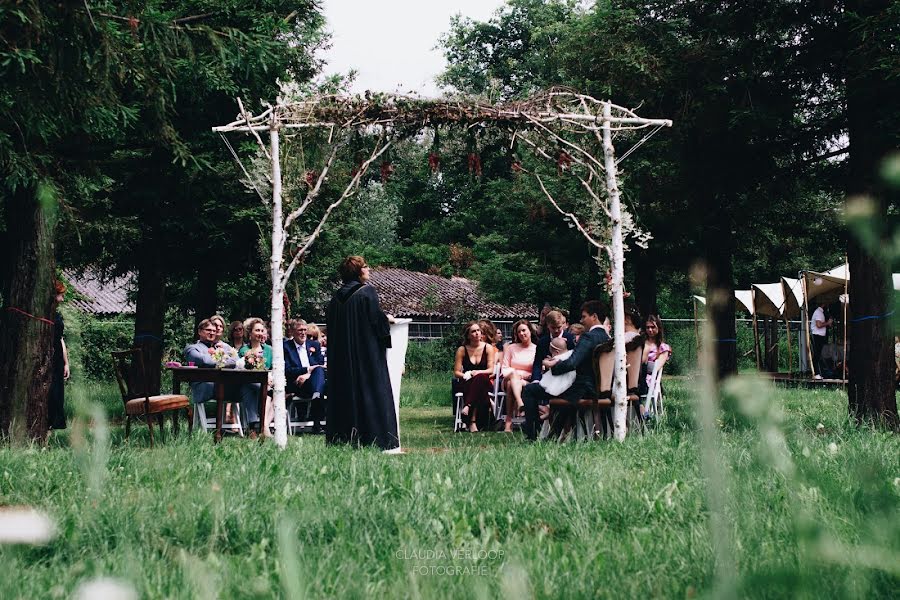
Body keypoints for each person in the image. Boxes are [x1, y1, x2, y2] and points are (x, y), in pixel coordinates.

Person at [326, 256, 398, 450]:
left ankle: (344, 439)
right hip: (366, 356)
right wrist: (386, 320)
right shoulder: (367, 293)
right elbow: (376, 322)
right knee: (371, 392)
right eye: (365, 267)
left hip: (341, 359)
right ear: (358, 271)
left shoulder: (334, 299)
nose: (369, 269)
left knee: (345, 395)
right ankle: (375, 439)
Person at [521, 300, 611, 441]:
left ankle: (533, 435)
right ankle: (553, 434)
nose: (581, 320)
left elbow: (572, 363)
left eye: (584, 316)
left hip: (582, 388)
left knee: (530, 390)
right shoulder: (606, 337)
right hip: (597, 386)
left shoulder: (588, 337)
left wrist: (552, 367)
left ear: (594, 317)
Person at [184, 319, 253, 434]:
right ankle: (219, 431)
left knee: (250, 386)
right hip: (205, 387)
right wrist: (223, 358)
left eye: (213, 331)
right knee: (223, 384)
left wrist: (221, 357)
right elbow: (204, 360)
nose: (211, 333)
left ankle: (253, 426)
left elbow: (236, 360)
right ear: (200, 332)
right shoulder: (192, 348)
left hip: (225, 386)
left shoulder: (222, 346)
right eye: (208, 330)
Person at [284, 318, 327, 432]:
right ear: (293, 332)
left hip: (312, 381)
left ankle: (316, 396)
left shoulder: (314, 345)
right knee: (319, 382)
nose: (303, 333)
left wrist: (307, 375)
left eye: (304, 330)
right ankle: (317, 423)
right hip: (296, 384)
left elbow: (320, 365)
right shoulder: (286, 347)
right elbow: (287, 370)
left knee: (319, 372)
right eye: (300, 330)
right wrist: (306, 370)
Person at [453, 321, 496, 432]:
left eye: (478, 331)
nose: (477, 333)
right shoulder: (462, 350)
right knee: (477, 383)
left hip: (485, 380)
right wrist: (467, 374)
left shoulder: (488, 348)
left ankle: (469, 410)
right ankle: (479, 419)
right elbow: (456, 372)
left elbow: (491, 369)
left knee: (480, 377)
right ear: (468, 335)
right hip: (468, 381)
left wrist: (478, 372)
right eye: (473, 331)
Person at [237, 317, 273, 436]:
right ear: (250, 333)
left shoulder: (269, 349)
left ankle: (262, 425)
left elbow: (273, 367)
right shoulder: (244, 350)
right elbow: (247, 369)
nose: (260, 333)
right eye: (257, 330)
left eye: (262, 331)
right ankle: (256, 427)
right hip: (251, 381)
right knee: (248, 388)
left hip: (269, 382)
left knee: (272, 391)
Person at [501, 319, 537, 432]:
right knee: (511, 380)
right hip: (508, 378)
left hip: (527, 381)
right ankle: (520, 402)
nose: (521, 333)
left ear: (530, 331)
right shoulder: (511, 348)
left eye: (524, 330)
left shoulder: (536, 349)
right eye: (519, 332)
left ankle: (508, 421)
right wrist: (516, 374)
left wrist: (522, 375)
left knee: (512, 383)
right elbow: (505, 368)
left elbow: (537, 370)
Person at [530, 310, 576, 384]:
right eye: (553, 327)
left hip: (568, 378)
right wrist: (535, 380)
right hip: (547, 378)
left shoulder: (570, 339)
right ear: (547, 325)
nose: (556, 330)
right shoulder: (542, 342)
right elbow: (537, 363)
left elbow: (574, 360)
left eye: (559, 327)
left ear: (563, 324)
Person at [48, 281, 70, 430]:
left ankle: (53, 425)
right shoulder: (45, 314)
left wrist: (66, 363)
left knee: (57, 392)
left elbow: (61, 339)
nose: (62, 299)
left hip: (57, 358)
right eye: (60, 295)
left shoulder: (57, 314)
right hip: (48, 356)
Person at [640, 314, 671, 414]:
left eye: (653, 327)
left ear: (658, 328)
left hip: (649, 378)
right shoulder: (640, 343)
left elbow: (655, 368)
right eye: (647, 327)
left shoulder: (663, 348)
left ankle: (644, 413)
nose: (650, 330)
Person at [810, 300, 832, 380]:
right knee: (816, 354)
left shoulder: (821, 312)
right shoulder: (818, 312)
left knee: (819, 355)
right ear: (823, 304)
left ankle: (818, 372)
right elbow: (818, 325)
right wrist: (828, 323)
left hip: (820, 336)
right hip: (817, 336)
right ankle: (816, 373)